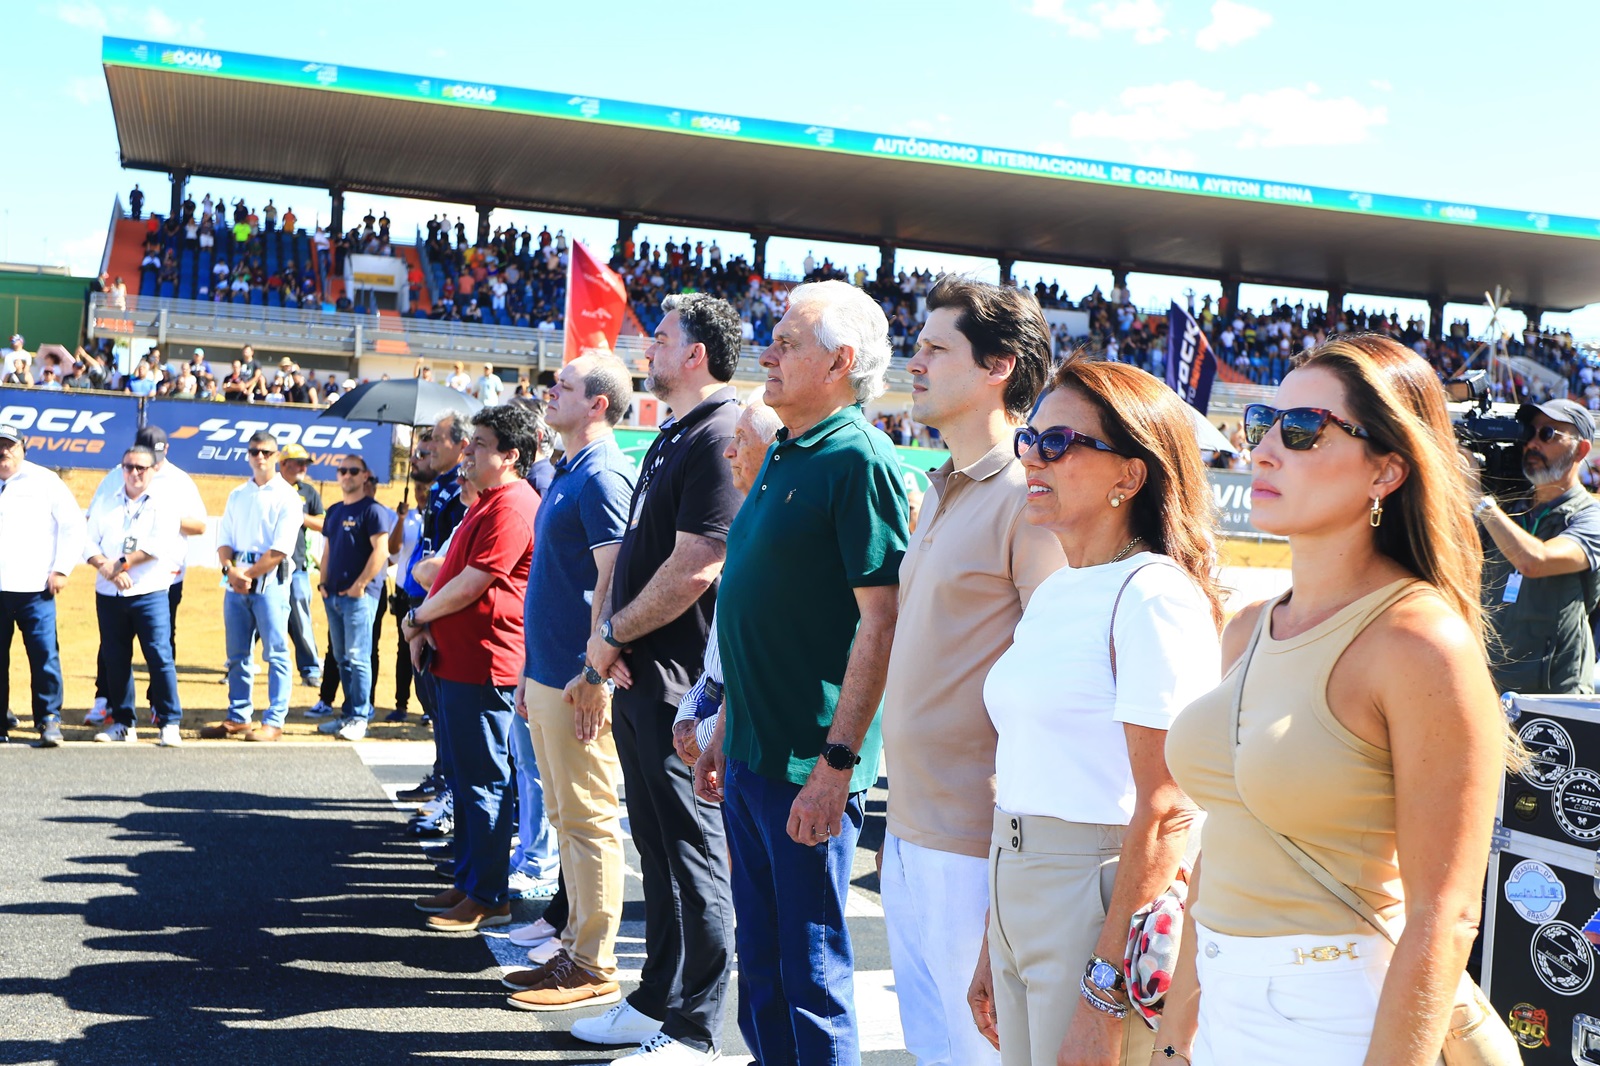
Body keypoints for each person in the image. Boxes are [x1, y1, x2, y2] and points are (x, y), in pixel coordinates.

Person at [1160, 335, 1510, 1065]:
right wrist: (1172, 1039)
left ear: (1386, 469)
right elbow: (1221, 845)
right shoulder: (1250, 627)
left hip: (1339, 1021)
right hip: (1219, 1010)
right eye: (1263, 423)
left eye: (1303, 431)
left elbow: (1444, 916)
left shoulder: (1420, 643)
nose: (1261, 450)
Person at [965, 356, 1222, 1066]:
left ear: (1128, 476)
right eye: (1030, 438)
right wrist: (997, 932)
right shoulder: (1059, 589)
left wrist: (1105, 989)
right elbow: (1029, 765)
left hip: (1096, 893)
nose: (1033, 458)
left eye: (1059, 443)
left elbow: (1169, 808)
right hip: (1016, 876)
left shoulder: (1152, 595)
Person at [696, 280, 909, 1066]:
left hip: (807, 765)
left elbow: (880, 624)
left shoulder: (859, 461)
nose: (767, 353)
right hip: (752, 753)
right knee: (765, 967)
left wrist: (837, 766)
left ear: (841, 361)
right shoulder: (787, 448)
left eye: (787, 341)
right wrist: (726, 727)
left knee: (810, 974)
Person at [880, 277, 1063, 1066]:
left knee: (977, 1051)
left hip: (975, 841)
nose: (912, 361)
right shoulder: (939, 489)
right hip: (907, 826)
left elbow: (1058, 683)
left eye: (933, 347)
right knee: (933, 1048)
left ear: (998, 366)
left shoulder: (1031, 497)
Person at [576, 295, 744, 1063]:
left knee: (694, 858)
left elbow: (698, 566)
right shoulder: (672, 433)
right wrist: (607, 645)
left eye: (664, 338)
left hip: (682, 687)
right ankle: (655, 1002)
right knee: (657, 850)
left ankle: (697, 1028)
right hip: (644, 678)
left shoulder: (719, 433)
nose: (649, 347)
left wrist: (612, 633)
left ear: (698, 354)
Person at [503, 352, 637, 1012]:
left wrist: (594, 671)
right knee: (565, 816)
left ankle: (594, 961)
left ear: (598, 405)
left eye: (564, 387)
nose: (548, 392)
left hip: (578, 680)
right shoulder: (571, 469)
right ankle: (575, 948)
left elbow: (613, 580)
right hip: (551, 675)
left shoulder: (605, 474)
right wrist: (533, 671)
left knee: (586, 820)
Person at [402, 404, 542, 933]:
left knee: (484, 780)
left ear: (510, 456)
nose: (469, 450)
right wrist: (426, 628)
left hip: (487, 663)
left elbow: (473, 584)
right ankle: (470, 882)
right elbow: (450, 577)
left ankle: (487, 893)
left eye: (481, 443)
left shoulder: (511, 505)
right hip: (460, 659)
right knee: (466, 778)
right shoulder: (488, 502)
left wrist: (417, 618)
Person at [668, 397, 784, 767]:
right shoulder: (745, 523)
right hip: (718, 715)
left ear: (774, 452)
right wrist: (688, 713)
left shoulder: (782, 534)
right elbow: (719, 655)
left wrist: (704, 732)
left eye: (741, 439)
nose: (728, 452)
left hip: (755, 736)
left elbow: (760, 663)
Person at [1474, 397, 1600, 693]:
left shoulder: (1590, 517)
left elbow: (1535, 561)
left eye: (1547, 434)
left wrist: (1479, 502)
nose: (1532, 443)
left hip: (1555, 691)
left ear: (1581, 449)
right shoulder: (1508, 509)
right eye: (1528, 433)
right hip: (1490, 683)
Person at [83, 426, 206, 726]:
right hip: (113, 583)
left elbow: (198, 526)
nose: (137, 471)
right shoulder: (116, 476)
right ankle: (109, 702)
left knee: (160, 648)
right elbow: (90, 527)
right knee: (114, 648)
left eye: (152, 461)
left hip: (162, 578)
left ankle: (161, 709)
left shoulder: (176, 481)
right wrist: (109, 567)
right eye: (133, 465)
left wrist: (159, 518)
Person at [202, 432, 301, 742]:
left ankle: (274, 720)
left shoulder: (287, 496)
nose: (260, 457)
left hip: (270, 581)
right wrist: (230, 570)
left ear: (276, 457)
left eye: (267, 452)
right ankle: (239, 715)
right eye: (255, 451)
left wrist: (248, 575)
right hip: (236, 581)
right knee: (237, 654)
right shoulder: (237, 494)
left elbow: (281, 548)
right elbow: (224, 541)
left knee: (276, 652)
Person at [0, 425, 85, 747]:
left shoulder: (45, 481)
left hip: (35, 588)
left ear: (23, 447)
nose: (4, 451)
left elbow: (73, 527)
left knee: (44, 656)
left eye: (10, 445)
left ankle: (49, 719)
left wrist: (61, 569)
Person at [315, 455, 389, 741]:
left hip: (359, 597)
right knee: (342, 657)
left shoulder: (372, 511)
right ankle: (348, 713)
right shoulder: (333, 511)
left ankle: (360, 716)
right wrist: (322, 584)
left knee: (358, 657)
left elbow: (381, 551)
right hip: (332, 594)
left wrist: (360, 585)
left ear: (365, 475)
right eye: (342, 470)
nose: (347, 475)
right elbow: (327, 551)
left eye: (353, 471)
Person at [279, 443, 326, 687]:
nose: (303, 467)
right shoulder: (270, 488)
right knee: (256, 617)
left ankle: (310, 669)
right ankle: (236, 665)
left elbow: (323, 524)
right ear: (283, 464)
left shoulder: (308, 492)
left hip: (297, 565)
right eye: (298, 463)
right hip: (267, 566)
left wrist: (300, 515)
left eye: (305, 463)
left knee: (301, 618)